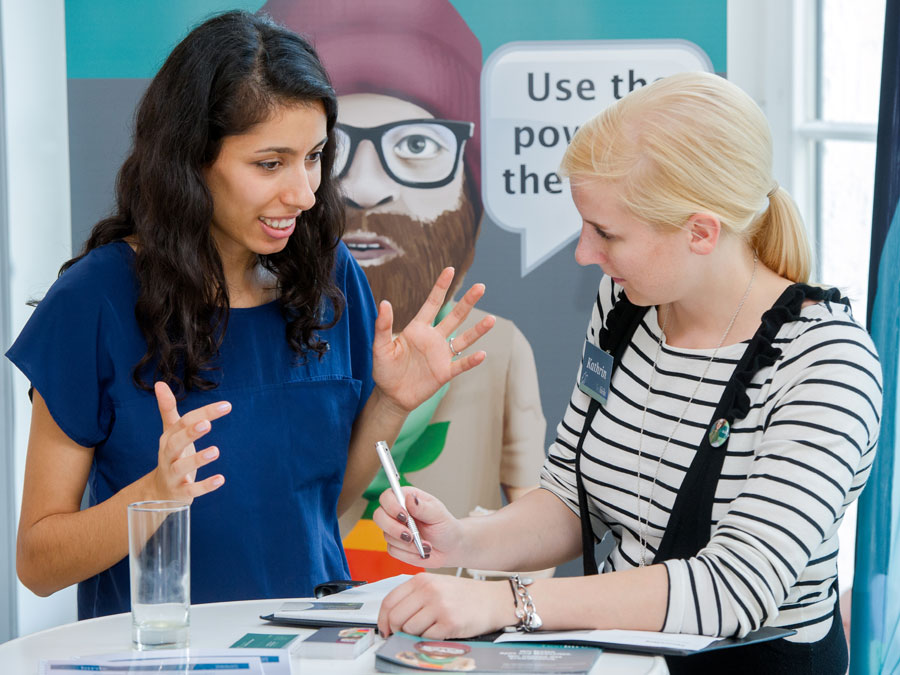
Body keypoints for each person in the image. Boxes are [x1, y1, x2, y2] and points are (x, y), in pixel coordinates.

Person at [371, 72, 882, 675]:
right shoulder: (624, 311)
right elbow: (570, 495)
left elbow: (734, 589)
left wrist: (503, 602)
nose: (584, 253)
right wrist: (463, 541)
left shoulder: (826, 364)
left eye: (607, 233)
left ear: (700, 231)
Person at [5, 10, 493, 620]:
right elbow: (38, 562)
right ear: (191, 160)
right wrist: (156, 496)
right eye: (270, 163)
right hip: (160, 657)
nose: (304, 192)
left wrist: (393, 403)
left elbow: (324, 503)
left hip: (311, 645)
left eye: (314, 157)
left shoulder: (329, 276)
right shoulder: (93, 300)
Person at [261, 0, 547, 579]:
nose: (365, 189)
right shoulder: (263, 337)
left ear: (469, 183)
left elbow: (539, 515)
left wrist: (512, 616)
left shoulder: (498, 348)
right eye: (333, 154)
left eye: (416, 146)